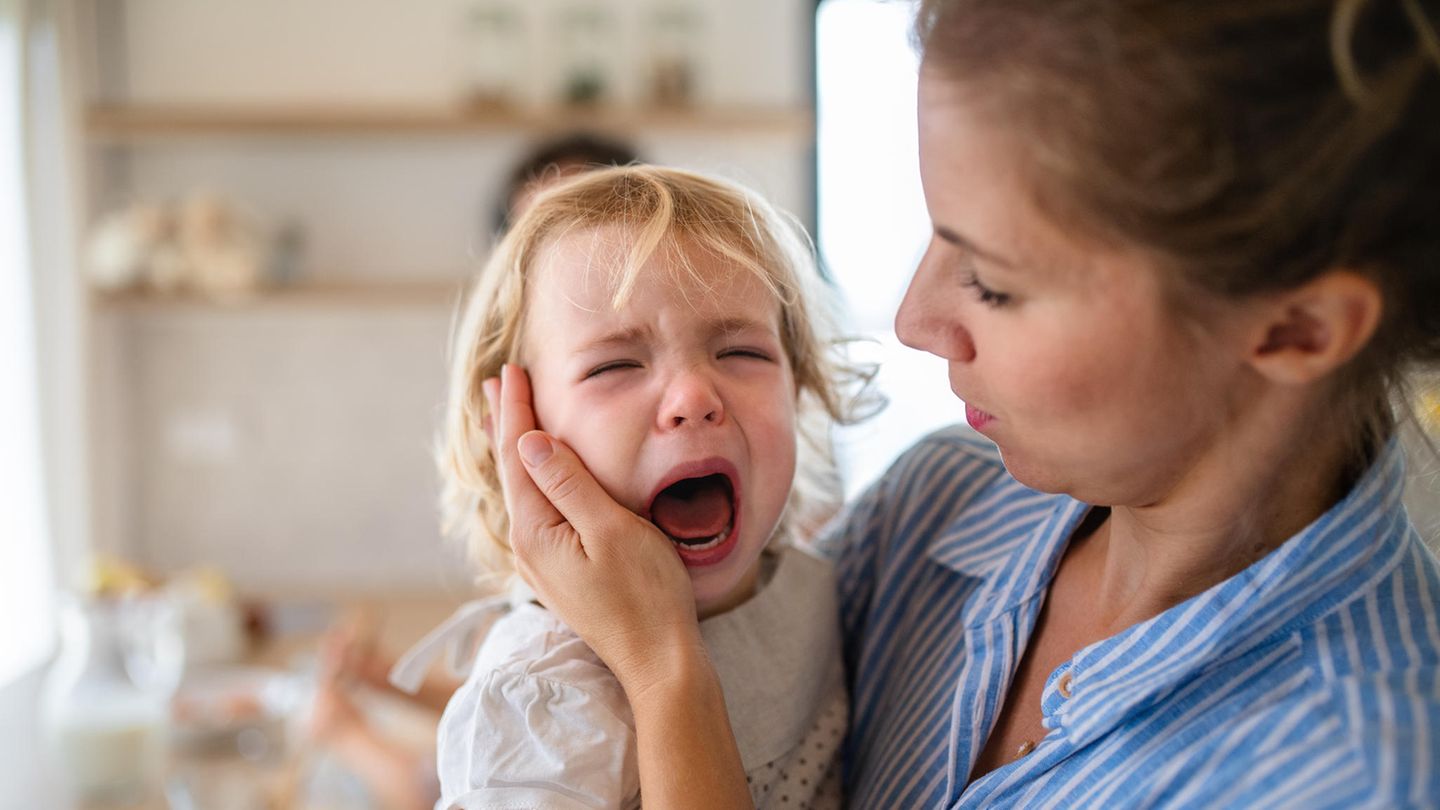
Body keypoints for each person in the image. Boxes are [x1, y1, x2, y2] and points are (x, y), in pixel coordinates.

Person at [487, 0, 1440, 807]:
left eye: (990, 280)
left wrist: (665, 672)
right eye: (936, 237)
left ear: (1298, 329)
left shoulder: (1351, 775)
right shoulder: (936, 504)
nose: (913, 318)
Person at [398, 165, 869, 808]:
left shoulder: (819, 588)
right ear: (514, 429)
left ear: (800, 387)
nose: (695, 398)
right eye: (616, 365)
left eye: (742, 353)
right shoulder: (543, 701)